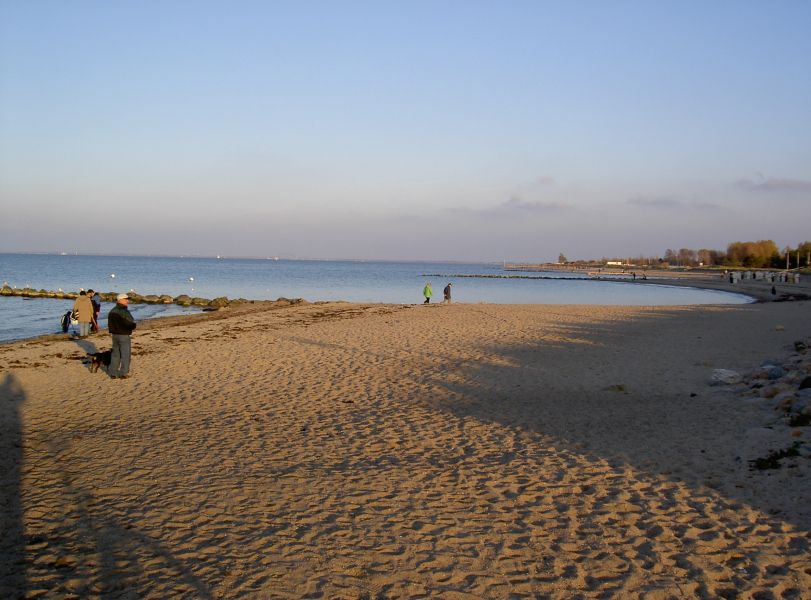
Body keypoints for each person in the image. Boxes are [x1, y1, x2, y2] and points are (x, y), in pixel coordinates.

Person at [108, 293, 136, 379]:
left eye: (127, 299)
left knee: (115, 354)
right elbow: (130, 323)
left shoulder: (112, 311)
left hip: (114, 335)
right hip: (123, 335)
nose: (127, 301)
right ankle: (123, 373)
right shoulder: (124, 311)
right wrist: (133, 326)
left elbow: (110, 324)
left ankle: (113, 372)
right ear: (120, 300)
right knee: (125, 354)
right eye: (126, 299)